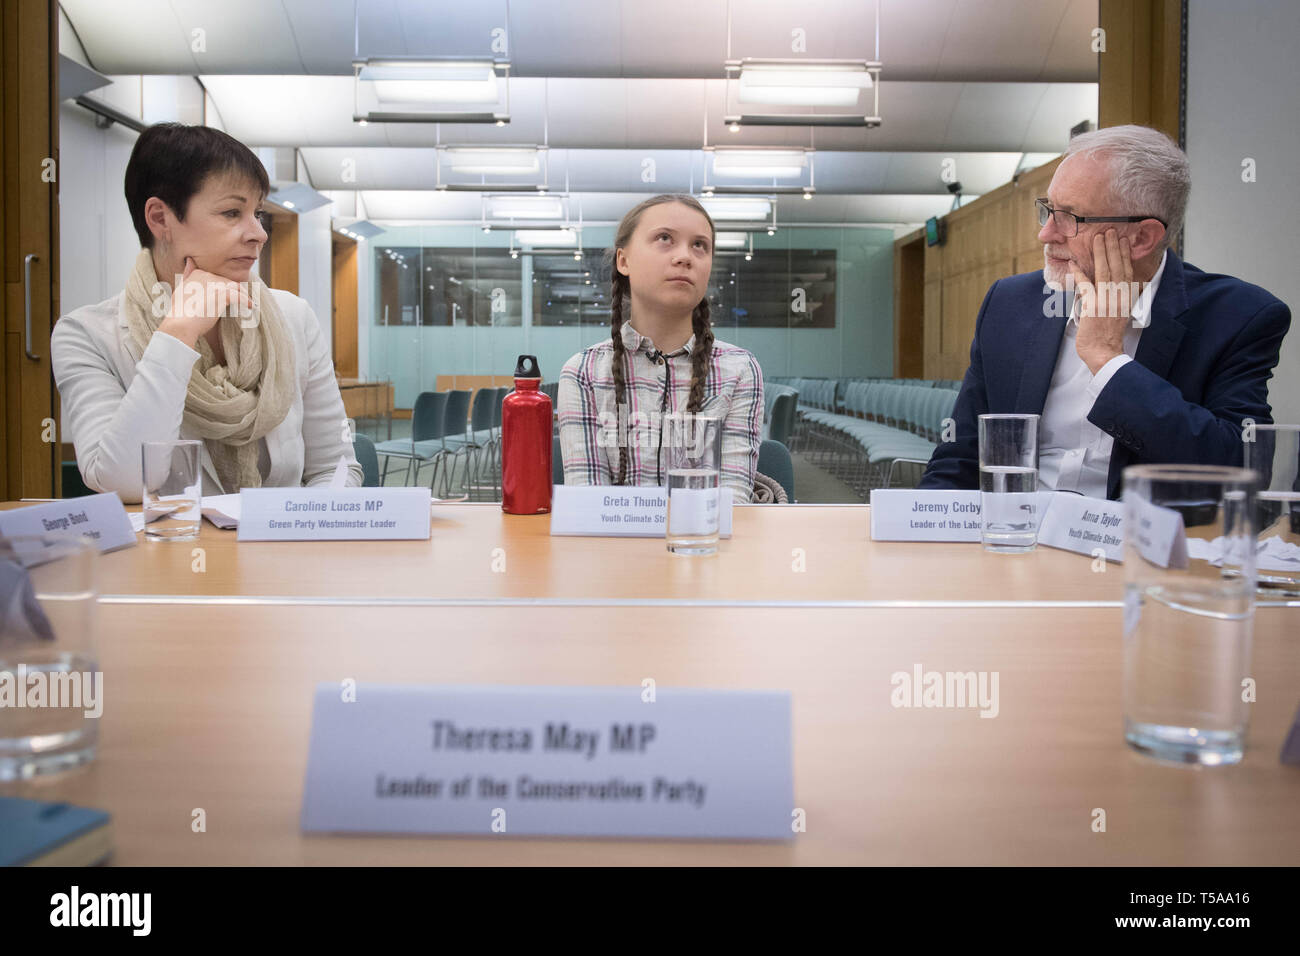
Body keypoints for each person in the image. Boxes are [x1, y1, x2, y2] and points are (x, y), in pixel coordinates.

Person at [920, 124, 1291, 500]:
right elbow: (959, 457)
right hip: (1018, 538)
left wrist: (1108, 361)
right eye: (1048, 210)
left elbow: (1239, 470)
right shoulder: (1010, 303)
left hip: (1139, 549)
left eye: (1070, 218)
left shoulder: (1239, 316)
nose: (1046, 235)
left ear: (1142, 238)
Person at [51, 123, 362, 503]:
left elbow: (335, 467)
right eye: (232, 212)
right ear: (160, 218)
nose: (259, 234)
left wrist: (303, 528)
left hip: (284, 552)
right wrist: (177, 334)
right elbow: (125, 484)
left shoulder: (293, 316)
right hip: (166, 556)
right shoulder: (86, 335)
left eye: (258, 213)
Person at [557, 194, 763, 502]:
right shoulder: (582, 372)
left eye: (699, 245)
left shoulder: (739, 370)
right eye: (665, 238)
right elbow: (589, 505)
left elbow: (730, 503)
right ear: (623, 260)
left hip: (702, 546)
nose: (685, 257)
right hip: (610, 549)